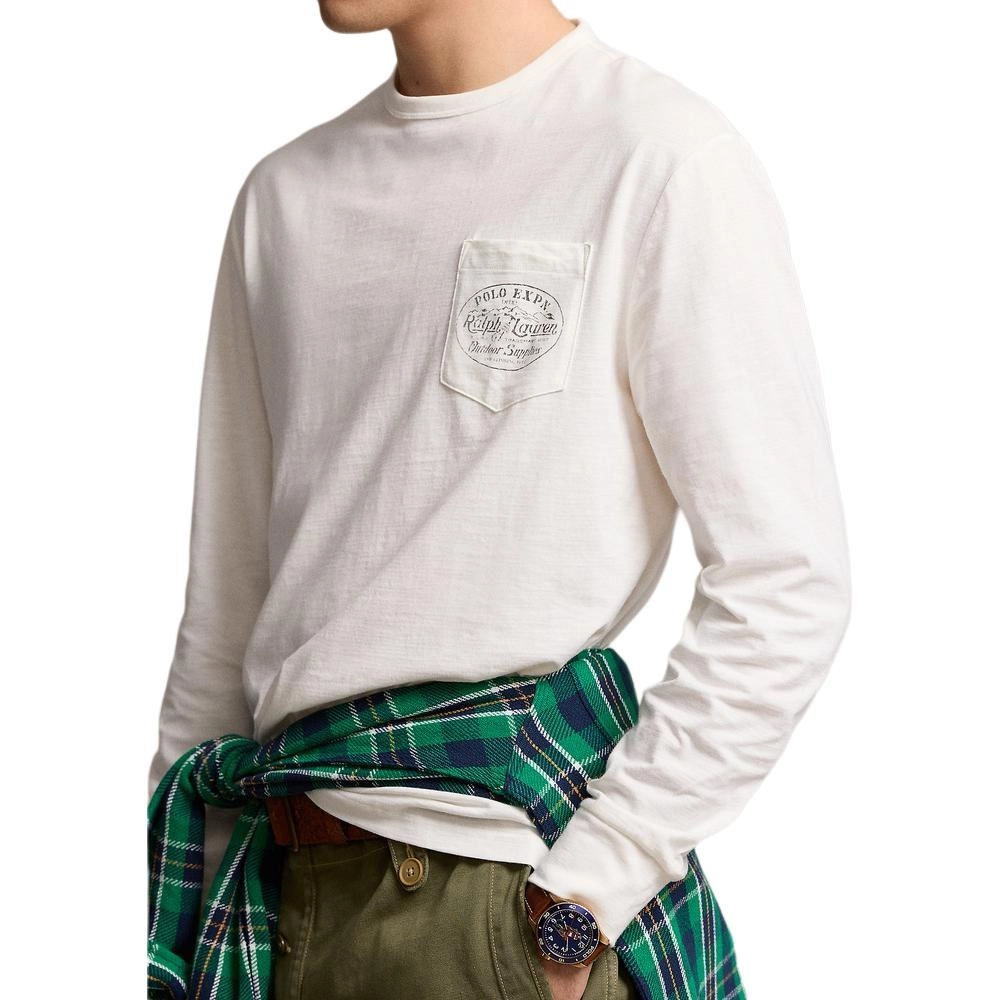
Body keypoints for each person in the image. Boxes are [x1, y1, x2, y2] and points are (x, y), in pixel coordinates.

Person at [147, 4, 852, 1000]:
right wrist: (175, 918)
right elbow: (228, 607)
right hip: (280, 894)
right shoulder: (284, 197)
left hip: (497, 895)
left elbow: (787, 578)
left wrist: (589, 891)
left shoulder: (657, 155)